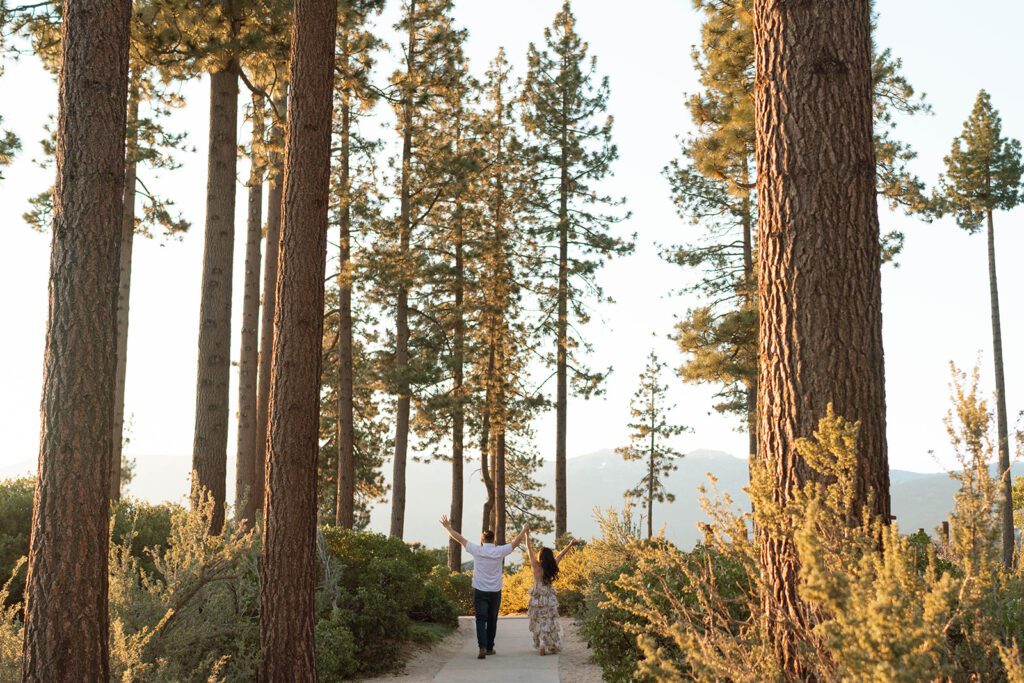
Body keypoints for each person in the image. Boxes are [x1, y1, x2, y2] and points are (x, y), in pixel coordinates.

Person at [440, 515, 527, 660]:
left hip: (480, 590)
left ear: (482, 540)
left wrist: (448, 527)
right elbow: (515, 543)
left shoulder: (477, 550)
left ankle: (482, 647)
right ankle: (490, 647)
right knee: (492, 619)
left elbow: (459, 538)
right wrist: (524, 530)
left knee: (480, 619)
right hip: (495, 591)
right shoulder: (500, 551)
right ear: (493, 540)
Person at [524, 528, 579, 655]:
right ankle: (547, 643)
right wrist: (570, 544)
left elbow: (529, 550)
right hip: (548, 595)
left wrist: (526, 535)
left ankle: (542, 645)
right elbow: (562, 554)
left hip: (537, 596)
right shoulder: (553, 564)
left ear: (541, 556)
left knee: (538, 620)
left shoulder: (535, 566)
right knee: (549, 620)